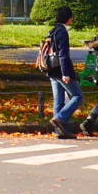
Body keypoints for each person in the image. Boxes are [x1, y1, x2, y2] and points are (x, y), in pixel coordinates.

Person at [41, 7, 82, 138]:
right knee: (77, 96)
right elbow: (63, 54)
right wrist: (66, 74)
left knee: (58, 100)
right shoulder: (62, 32)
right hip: (60, 70)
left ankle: (60, 131)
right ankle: (60, 118)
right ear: (68, 18)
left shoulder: (52, 30)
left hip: (51, 69)